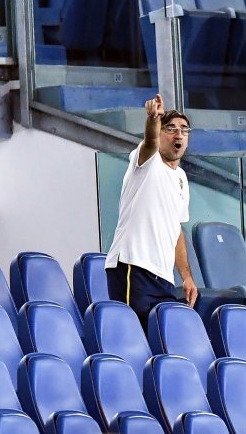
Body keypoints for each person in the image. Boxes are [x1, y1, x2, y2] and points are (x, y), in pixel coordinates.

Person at [105, 93, 198, 331]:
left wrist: (186, 276)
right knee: (132, 340)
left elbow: (176, 230)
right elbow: (149, 142)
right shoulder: (147, 160)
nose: (178, 134)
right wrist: (153, 119)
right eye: (171, 128)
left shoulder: (181, 178)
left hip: (163, 279)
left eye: (184, 130)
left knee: (163, 343)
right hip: (132, 267)